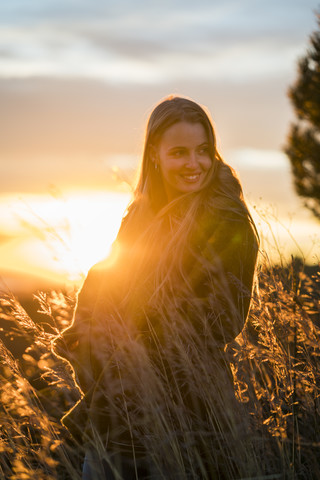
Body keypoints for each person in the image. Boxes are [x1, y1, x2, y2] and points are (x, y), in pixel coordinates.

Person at [53, 95, 259, 479]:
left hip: (188, 404)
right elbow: (105, 286)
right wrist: (99, 345)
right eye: (179, 152)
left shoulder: (227, 219)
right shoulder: (139, 217)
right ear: (155, 156)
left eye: (203, 150)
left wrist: (134, 342)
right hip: (117, 402)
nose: (194, 164)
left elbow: (223, 317)